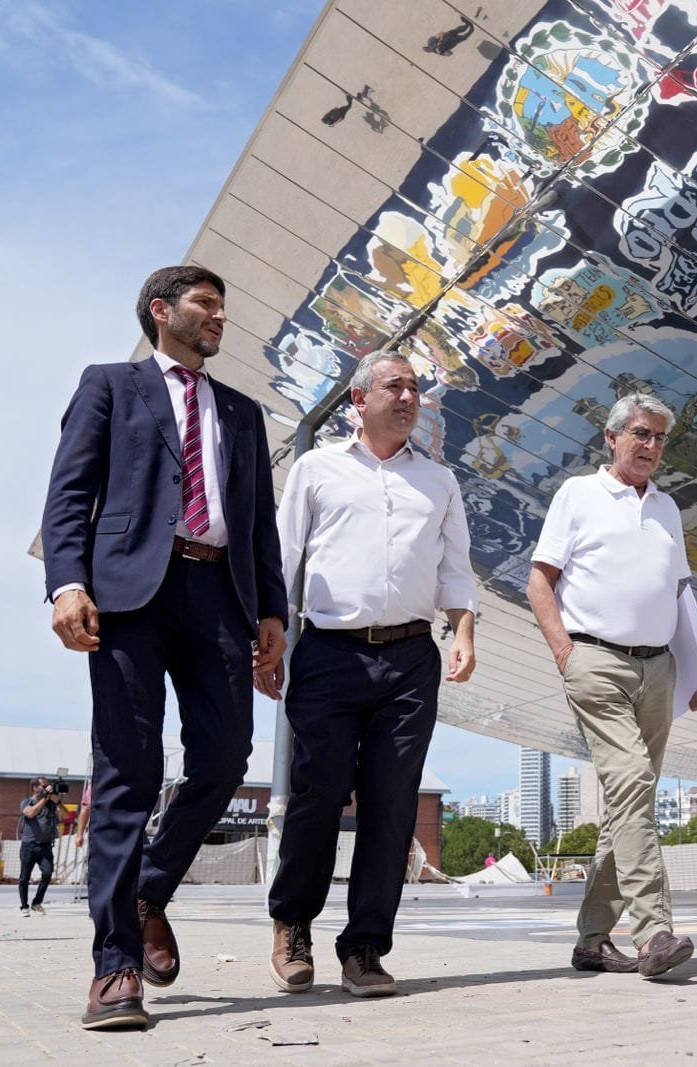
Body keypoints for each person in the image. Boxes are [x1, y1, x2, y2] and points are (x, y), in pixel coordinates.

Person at [42, 264, 288, 1030]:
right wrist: (67, 583)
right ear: (160, 309)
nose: (219, 316)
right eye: (205, 303)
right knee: (128, 769)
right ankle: (115, 968)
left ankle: (149, 886)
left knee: (226, 756)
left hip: (220, 596)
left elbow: (259, 522)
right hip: (129, 597)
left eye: (222, 305)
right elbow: (69, 492)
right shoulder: (110, 385)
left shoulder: (242, 411)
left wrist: (272, 612)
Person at [266, 350, 478, 999]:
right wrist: (265, 637)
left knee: (392, 803)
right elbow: (282, 555)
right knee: (320, 789)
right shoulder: (316, 468)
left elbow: (456, 567)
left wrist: (464, 631)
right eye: (395, 386)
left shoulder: (439, 481)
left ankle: (364, 947)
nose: (408, 396)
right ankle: (292, 923)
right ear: (359, 399)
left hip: (411, 659)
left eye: (414, 387)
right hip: (329, 653)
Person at [526, 393, 697, 979]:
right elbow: (539, 580)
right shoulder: (578, 494)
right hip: (596, 663)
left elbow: (676, 596)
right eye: (640, 433)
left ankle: (591, 940)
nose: (651, 445)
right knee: (631, 782)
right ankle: (654, 932)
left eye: (659, 437)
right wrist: (566, 653)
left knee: (631, 803)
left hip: (659, 669)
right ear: (611, 438)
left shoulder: (667, 508)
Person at [19, 777, 65, 915]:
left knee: (47, 873)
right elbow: (30, 813)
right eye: (44, 786)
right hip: (29, 845)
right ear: (35, 788)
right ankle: (24, 906)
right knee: (24, 877)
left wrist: (58, 802)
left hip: (46, 846)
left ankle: (37, 902)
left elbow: (66, 815)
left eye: (48, 786)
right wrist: (45, 798)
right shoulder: (27, 802)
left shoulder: (51, 804)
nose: (47, 788)